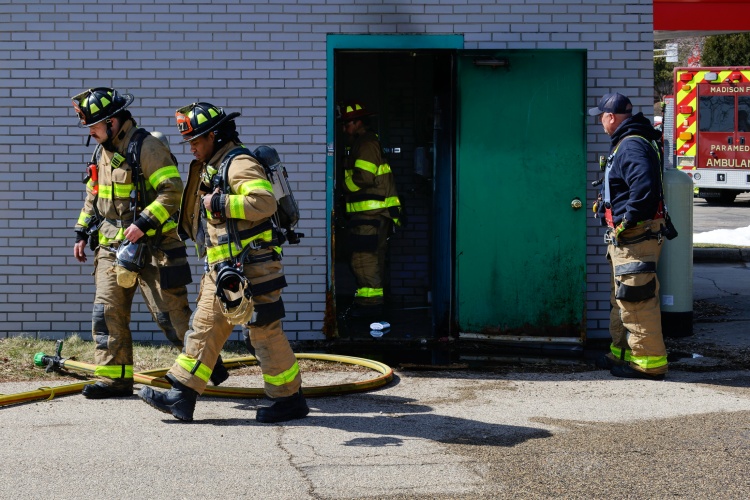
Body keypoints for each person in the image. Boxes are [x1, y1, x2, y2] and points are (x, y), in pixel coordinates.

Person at [138, 102, 308, 423]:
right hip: (224, 270)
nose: (192, 147)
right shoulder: (214, 165)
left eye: (197, 140)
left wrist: (218, 201)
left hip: (254, 269)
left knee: (264, 333)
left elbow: (264, 202)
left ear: (215, 136)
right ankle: (181, 395)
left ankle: (289, 399)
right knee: (204, 328)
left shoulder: (238, 162)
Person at [71, 87, 195, 398]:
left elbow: (173, 192)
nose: (91, 132)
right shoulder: (101, 150)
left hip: (155, 246)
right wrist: (82, 233)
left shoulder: (147, 147)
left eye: (95, 126)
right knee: (107, 313)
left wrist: (143, 223)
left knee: (170, 318)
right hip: (112, 247)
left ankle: (203, 368)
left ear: (112, 122)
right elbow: (94, 195)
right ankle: (113, 379)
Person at [589, 92, 669, 381]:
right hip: (627, 239)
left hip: (635, 237)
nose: (600, 121)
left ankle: (649, 364)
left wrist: (627, 219)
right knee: (623, 297)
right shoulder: (631, 141)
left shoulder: (631, 145)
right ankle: (622, 353)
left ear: (611, 118)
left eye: (601, 116)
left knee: (637, 300)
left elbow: (645, 187)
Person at [339, 101, 402, 319]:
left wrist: (343, 186)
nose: (344, 129)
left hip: (370, 215)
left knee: (364, 260)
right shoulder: (366, 142)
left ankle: (370, 310)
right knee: (372, 259)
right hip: (372, 216)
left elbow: (363, 179)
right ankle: (373, 308)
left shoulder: (365, 145)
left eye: (347, 124)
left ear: (357, 123)